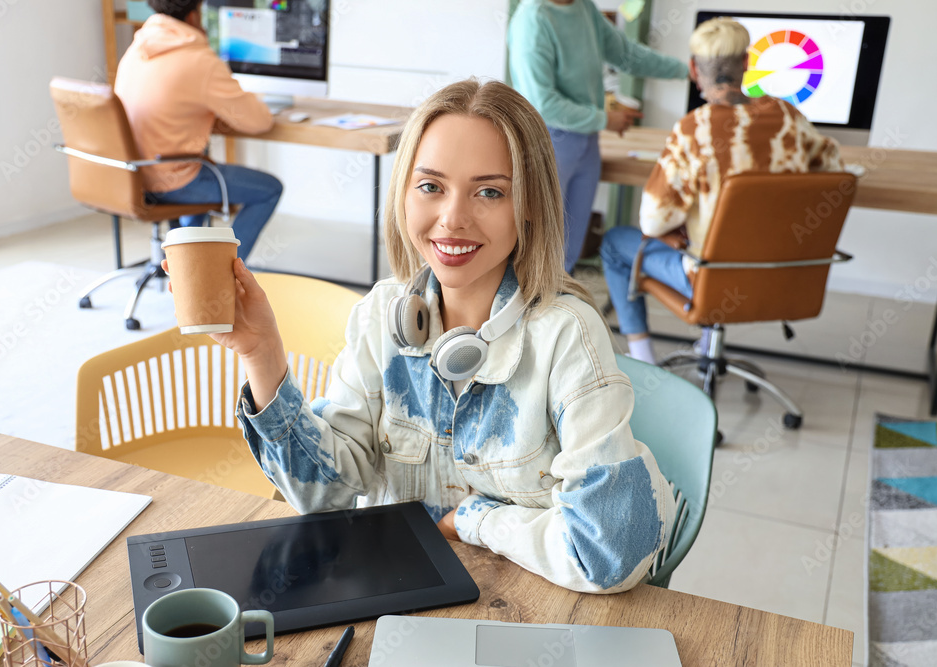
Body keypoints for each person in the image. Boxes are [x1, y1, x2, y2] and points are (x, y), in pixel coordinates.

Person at [188, 79, 675, 593]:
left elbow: (606, 554)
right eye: (431, 186)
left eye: (490, 191)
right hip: (399, 591)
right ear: (403, 193)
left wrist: (475, 521)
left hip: (528, 608)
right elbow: (325, 496)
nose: (453, 219)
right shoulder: (381, 313)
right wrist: (263, 355)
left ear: (529, 205)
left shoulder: (566, 333)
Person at [600, 17, 843, 364]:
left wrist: (680, 225)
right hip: (781, 275)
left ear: (693, 70)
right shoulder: (789, 117)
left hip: (712, 279)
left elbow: (652, 223)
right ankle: (705, 342)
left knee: (613, 244)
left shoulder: (692, 129)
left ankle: (643, 361)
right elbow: (831, 168)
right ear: (747, 64)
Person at [508, 0, 690, 274]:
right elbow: (543, 103)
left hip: (586, 141)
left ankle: (560, 311)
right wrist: (605, 118)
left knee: (569, 249)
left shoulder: (583, 7)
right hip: (546, 141)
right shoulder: (533, 20)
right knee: (538, 248)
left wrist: (687, 70)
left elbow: (626, 55)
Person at [115, 0, 282, 262]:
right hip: (172, 181)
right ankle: (218, 273)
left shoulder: (137, 48)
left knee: (198, 161)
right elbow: (258, 121)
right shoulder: (199, 60)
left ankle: (188, 264)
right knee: (269, 189)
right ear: (195, 15)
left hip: (131, 174)